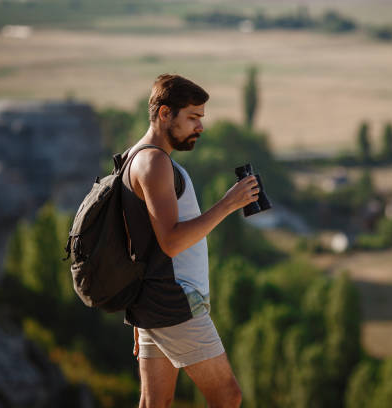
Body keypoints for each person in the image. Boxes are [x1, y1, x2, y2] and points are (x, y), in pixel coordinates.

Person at [121, 74, 259, 408]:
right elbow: (170, 241)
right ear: (165, 113)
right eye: (193, 118)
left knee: (155, 402)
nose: (200, 127)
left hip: (155, 300)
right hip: (176, 299)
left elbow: (140, 240)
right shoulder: (153, 162)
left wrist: (140, 309)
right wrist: (229, 204)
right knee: (227, 396)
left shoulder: (137, 157)